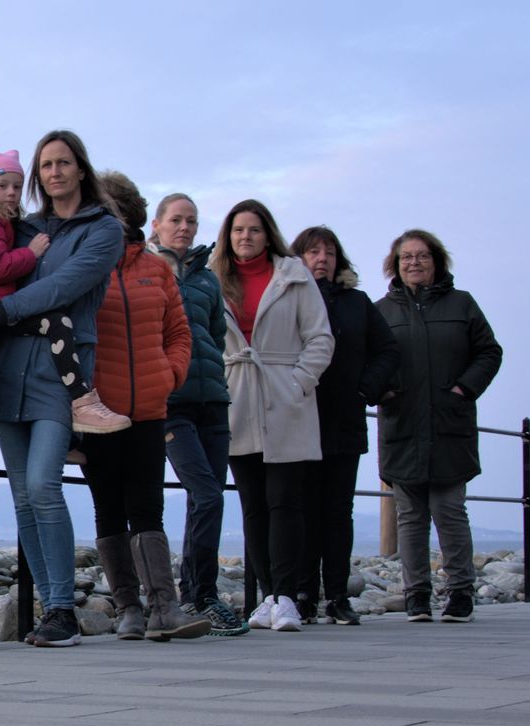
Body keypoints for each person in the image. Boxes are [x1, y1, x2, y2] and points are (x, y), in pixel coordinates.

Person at [0, 130, 124, 648]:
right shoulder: (22, 227)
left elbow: (66, 285)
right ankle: (49, 609)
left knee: (43, 485)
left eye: (63, 163)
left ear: (81, 169)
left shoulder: (104, 231)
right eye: (45, 165)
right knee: (22, 497)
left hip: (60, 374)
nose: (54, 173)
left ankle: (62, 609)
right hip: (5, 369)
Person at [83, 172, 207, 641]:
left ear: (132, 214)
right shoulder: (84, 261)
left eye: (114, 208)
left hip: (150, 409)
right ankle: (129, 608)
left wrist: (169, 374)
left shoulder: (156, 269)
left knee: (148, 506)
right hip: (98, 411)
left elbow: (179, 332)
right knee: (108, 508)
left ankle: (164, 608)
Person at [0, 145, 130, 435]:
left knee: (40, 479)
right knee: (56, 322)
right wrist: (30, 254)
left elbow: (64, 283)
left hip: (7, 332)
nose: (11, 192)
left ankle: (76, 421)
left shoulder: (18, 223)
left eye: (16, 186)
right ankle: (82, 401)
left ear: (81, 170)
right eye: (2, 185)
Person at [211, 199, 332, 633]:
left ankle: (287, 596)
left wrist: (300, 381)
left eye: (254, 230)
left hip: (284, 395)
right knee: (252, 505)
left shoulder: (294, 277)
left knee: (286, 501)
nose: (246, 237)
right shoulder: (212, 278)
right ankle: (265, 595)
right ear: (228, 235)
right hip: (236, 397)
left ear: (268, 234)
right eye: (238, 230)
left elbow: (320, 338)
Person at [375, 229, 503, 623]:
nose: (414, 263)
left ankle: (460, 593)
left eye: (422, 256)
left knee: (449, 510)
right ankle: (416, 595)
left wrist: (465, 388)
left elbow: (489, 351)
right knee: (410, 516)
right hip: (403, 425)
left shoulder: (462, 305)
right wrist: (384, 391)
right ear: (395, 265)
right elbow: (368, 361)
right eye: (406, 257)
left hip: (449, 423)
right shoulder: (382, 311)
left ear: (436, 261)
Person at [289, 226, 397, 626]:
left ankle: (337, 596)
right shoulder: (288, 298)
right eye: (313, 252)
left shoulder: (357, 302)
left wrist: (364, 389)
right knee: (300, 510)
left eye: (329, 253)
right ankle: (301, 594)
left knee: (337, 512)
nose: (322, 259)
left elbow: (387, 350)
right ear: (297, 258)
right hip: (298, 416)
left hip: (344, 420)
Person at [148, 194, 245, 636]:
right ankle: (196, 594)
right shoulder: (149, 272)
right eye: (176, 220)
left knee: (211, 497)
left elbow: (217, 336)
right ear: (157, 224)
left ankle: (199, 594)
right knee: (205, 492)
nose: (184, 227)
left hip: (213, 401)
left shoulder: (207, 280)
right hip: (172, 403)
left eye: (191, 220)